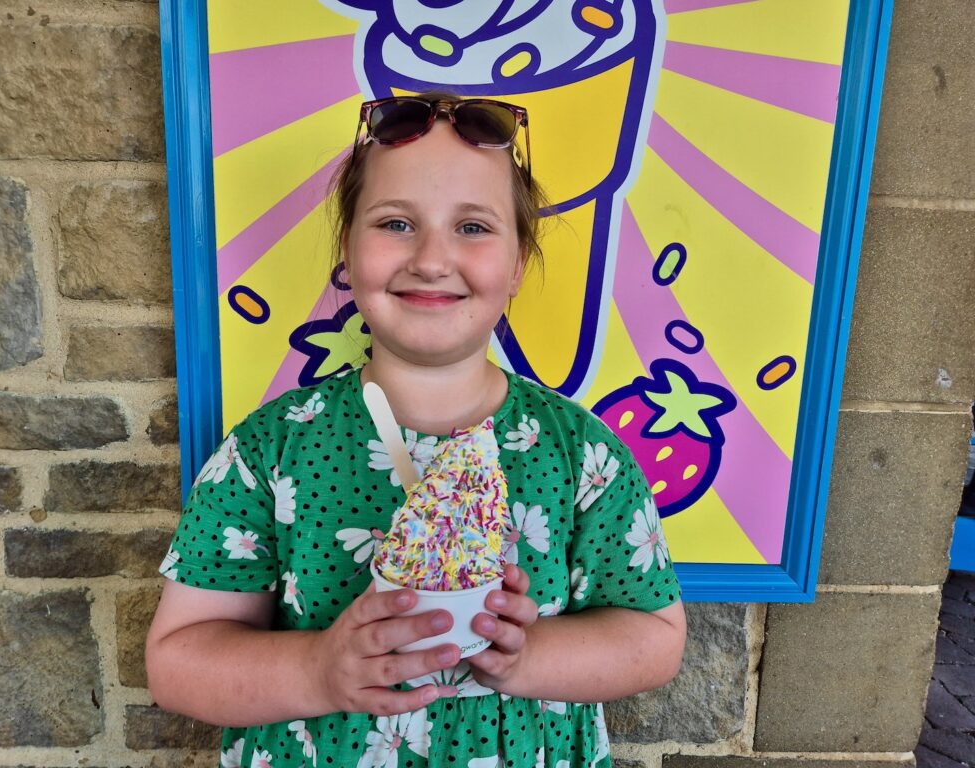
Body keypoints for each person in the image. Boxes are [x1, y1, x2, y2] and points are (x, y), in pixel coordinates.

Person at [146, 92, 686, 768]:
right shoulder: (269, 451)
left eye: (473, 227)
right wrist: (317, 669)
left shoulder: (582, 455)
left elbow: (655, 637)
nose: (432, 258)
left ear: (519, 262)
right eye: (396, 223)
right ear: (348, 250)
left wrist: (526, 658)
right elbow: (178, 660)